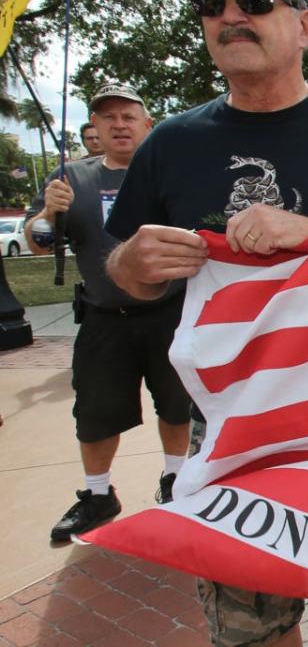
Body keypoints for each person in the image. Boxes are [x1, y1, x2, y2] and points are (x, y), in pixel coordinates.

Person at [103, 0, 308, 647]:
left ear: (304, 22)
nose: (229, 15)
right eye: (212, 2)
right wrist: (132, 267)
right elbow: (123, 270)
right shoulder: (171, 144)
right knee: (253, 632)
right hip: (232, 432)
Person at [24, 83, 191, 543]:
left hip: (169, 312)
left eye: (128, 116)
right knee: (95, 411)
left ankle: (176, 481)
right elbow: (40, 242)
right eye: (108, 117)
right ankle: (97, 495)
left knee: (177, 404)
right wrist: (42, 217)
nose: (119, 125)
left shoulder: (169, 174)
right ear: (93, 126)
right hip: (103, 317)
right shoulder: (71, 180)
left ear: (147, 125)